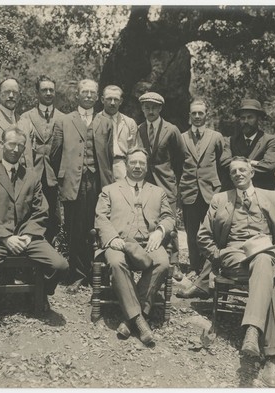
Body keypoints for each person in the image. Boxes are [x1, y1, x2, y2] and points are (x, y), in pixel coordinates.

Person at [195, 156, 275, 387]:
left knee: (264, 262)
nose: (237, 173)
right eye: (233, 171)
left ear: (251, 173)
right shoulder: (219, 199)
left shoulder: (273, 197)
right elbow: (202, 236)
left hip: (267, 251)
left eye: (242, 170)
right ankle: (272, 359)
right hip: (234, 255)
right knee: (264, 272)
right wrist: (218, 256)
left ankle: (253, 333)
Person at [0, 126, 69, 328]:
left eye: (20, 145)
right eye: (11, 144)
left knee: (60, 265)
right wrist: (6, 237)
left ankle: (41, 295)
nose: (16, 149)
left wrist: (27, 235)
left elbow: (41, 210)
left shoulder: (31, 176)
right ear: (1, 145)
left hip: (27, 237)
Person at [95, 147, 175, 345]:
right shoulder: (110, 190)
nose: (137, 166)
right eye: (133, 163)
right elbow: (100, 217)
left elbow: (169, 217)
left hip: (149, 242)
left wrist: (160, 231)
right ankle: (139, 320)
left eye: (141, 163)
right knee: (115, 263)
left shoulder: (158, 192)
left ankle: (130, 320)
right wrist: (112, 237)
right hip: (120, 242)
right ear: (126, 165)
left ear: (147, 167)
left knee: (163, 263)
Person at [50, 79, 113, 292]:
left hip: (97, 182)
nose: (88, 96)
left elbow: (109, 156)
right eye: (84, 92)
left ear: (97, 97)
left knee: (96, 227)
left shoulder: (105, 122)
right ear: (77, 95)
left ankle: (97, 271)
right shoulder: (64, 121)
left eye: (92, 93)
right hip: (73, 181)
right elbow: (55, 154)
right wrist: (60, 180)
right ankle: (77, 273)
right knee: (75, 228)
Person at [136, 92, 185, 281]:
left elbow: (180, 158)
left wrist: (172, 179)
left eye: (154, 107)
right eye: (147, 107)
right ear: (142, 109)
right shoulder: (139, 129)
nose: (150, 110)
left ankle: (174, 264)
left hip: (166, 183)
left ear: (160, 109)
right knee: (148, 222)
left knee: (170, 224)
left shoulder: (171, 130)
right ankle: (151, 260)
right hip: (146, 185)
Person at [176, 98, 227, 278]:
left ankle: (209, 269)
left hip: (211, 192)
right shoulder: (181, 138)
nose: (197, 116)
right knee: (192, 232)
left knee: (211, 231)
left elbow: (224, 164)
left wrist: (220, 189)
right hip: (189, 191)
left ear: (207, 115)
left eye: (200, 113)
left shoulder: (216, 137)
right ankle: (193, 267)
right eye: (194, 113)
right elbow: (177, 165)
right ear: (189, 116)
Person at [20, 75, 65, 243]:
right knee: (33, 212)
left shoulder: (63, 117)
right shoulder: (26, 117)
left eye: (51, 90)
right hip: (33, 173)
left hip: (54, 175)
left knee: (53, 214)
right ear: (37, 93)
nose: (48, 93)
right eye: (44, 90)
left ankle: (53, 247)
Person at [222, 99, 275, 190]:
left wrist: (237, 164)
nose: (245, 121)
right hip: (237, 192)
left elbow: (269, 165)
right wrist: (254, 162)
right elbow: (225, 162)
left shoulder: (270, 140)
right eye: (242, 118)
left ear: (258, 119)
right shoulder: (230, 141)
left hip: (264, 191)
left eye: (250, 117)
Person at [99, 85, 138, 181]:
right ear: (102, 100)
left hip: (122, 165)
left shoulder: (129, 123)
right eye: (109, 99)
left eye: (116, 99)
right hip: (101, 166)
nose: (112, 103)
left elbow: (134, 150)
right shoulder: (94, 121)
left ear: (120, 101)